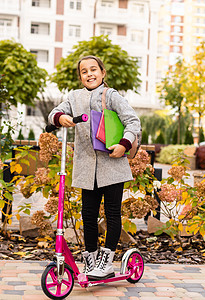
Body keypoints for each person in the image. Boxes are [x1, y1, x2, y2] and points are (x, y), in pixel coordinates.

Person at [48, 55, 141, 281]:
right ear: (80, 76)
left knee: (111, 214)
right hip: (87, 167)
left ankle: (106, 260)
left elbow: (133, 122)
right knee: (88, 215)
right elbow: (52, 114)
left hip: (112, 165)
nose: (89, 74)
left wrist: (124, 144)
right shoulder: (74, 97)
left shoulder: (111, 96)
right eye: (84, 71)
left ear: (102, 72)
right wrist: (61, 118)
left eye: (93, 70)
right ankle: (91, 257)